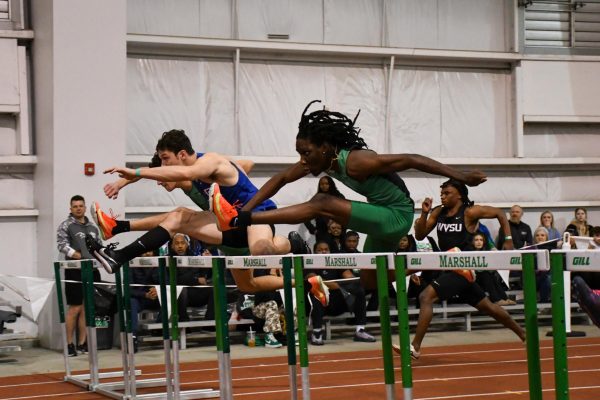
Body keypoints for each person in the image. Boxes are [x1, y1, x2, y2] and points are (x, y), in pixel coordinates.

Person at [209, 100, 487, 290]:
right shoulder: (320, 160)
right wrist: (244, 206)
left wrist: (463, 177)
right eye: (299, 154)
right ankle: (436, 263)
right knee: (369, 280)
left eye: (306, 153)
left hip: (397, 214)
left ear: (326, 147)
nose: (303, 161)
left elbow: (412, 159)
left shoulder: (356, 161)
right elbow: (280, 179)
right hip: (380, 214)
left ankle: (248, 219)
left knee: (321, 203)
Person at [85, 129, 324, 298]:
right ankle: (117, 255)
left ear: (181, 154)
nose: (164, 166)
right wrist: (122, 183)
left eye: (166, 159)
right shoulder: (190, 173)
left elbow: (185, 174)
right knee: (247, 285)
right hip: (226, 228)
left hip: (254, 217)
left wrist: (135, 174)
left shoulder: (205, 163)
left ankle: (291, 245)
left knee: (261, 252)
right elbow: (246, 164)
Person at [403, 179, 526, 359]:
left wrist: (508, 239)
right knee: (489, 307)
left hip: (463, 269)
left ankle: (415, 347)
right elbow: (420, 234)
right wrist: (423, 214)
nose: (442, 197)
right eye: (441, 194)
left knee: (425, 296)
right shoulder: (438, 212)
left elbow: (499, 213)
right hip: (448, 268)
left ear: (459, 195)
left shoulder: (469, 212)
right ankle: (524, 335)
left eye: (447, 194)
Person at [56, 195, 102, 357]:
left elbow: (99, 247)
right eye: (75, 206)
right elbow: (62, 245)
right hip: (74, 270)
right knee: (75, 307)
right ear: (71, 208)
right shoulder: (66, 225)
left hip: (93, 270)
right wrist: (80, 256)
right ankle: (69, 344)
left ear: (84, 207)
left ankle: (82, 344)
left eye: (81, 206)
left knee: (87, 308)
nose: (78, 208)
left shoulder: (93, 227)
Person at [307, 240, 375, 345]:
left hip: (338, 303)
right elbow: (316, 280)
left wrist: (348, 283)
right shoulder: (309, 264)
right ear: (314, 252)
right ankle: (316, 333)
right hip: (321, 304)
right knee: (317, 293)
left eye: (326, 250)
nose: (323, 252)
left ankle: (360, 330)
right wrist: (339, 285)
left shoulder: (335, 262)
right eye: (320, 250)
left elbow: (349, 278)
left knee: (359, 290)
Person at [468, 232, 515, 306]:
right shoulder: (468, 252)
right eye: (476, 240)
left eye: (481, 240)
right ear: (472, 242)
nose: (479, 242)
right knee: (485, 274)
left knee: (491, 275)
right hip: (473, 279)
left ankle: (505, 298)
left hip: (484, 278)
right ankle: (496, 299)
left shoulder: (486, 252)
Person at [303, 176, 346, 242]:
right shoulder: (317, 199)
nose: (324, 186)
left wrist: (343, 227)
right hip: (322, 232)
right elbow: (305, 214)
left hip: (338, 232)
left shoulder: (339, 197)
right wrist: (313, 230)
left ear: (331, 184)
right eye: (322, 184)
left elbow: (346, 212)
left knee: (339, 251)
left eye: (326, 184)